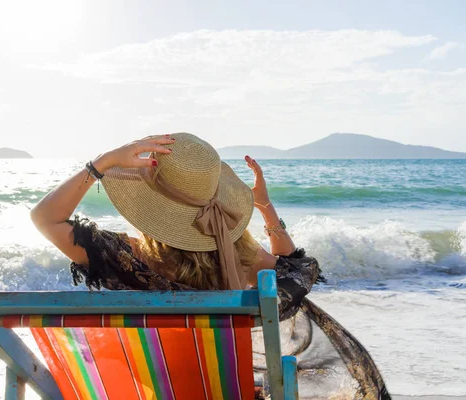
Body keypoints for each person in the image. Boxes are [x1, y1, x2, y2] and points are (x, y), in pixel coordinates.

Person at [31, 132, 391, 399]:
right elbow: (299, 267)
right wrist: (264, 207)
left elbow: (46, 218)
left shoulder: (128, 260)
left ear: (151, 205)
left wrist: (102, 163)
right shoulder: (244, 260)